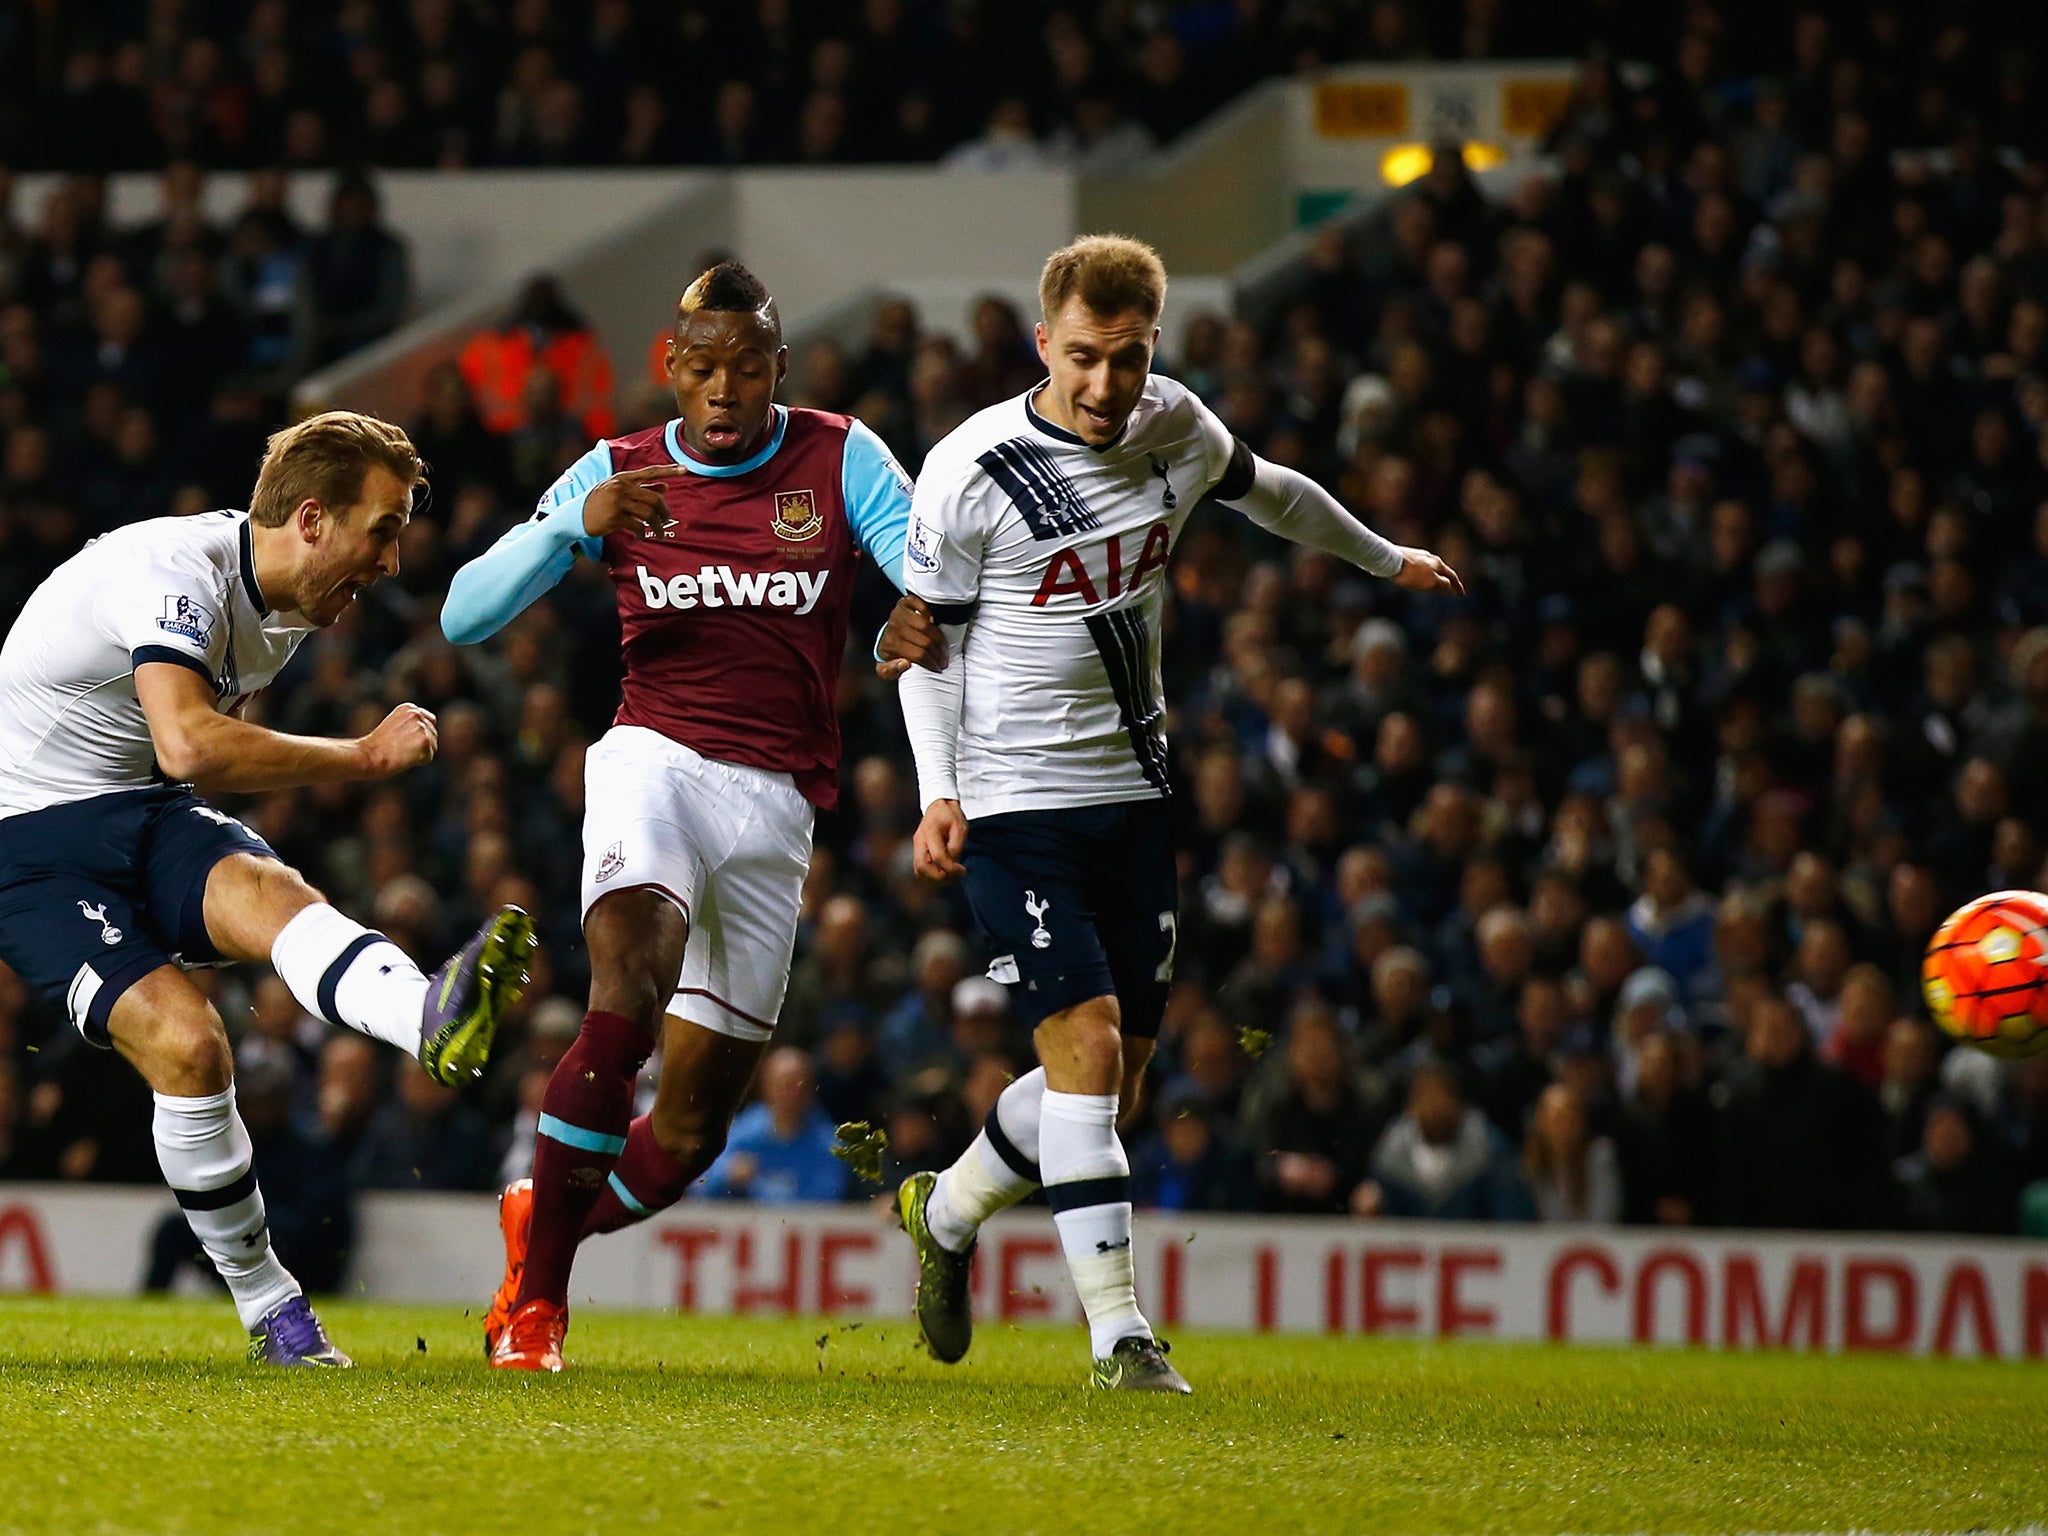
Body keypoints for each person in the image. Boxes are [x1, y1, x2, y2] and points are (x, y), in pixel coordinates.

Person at [883, 234, 1461, 1392]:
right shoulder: (969, 466)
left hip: (1135, 799)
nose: (1105, 387)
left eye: (1130, 360)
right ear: (1043, 343)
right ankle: (1119, 1338)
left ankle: (944, 1211)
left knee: (1111, 1086)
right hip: (1012, 805)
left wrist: (1379, 555)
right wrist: (935, 790)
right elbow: (921, 645)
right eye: (1085, 358)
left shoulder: (1176, 426)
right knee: (1088, 1051)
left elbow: (1273, 495)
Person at [441, 262, 913, 1371]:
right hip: (652, 761)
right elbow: (464, 614)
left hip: (777, 808)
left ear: (776, 372)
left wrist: (915, 613)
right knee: (626, 997)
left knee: (692, 1132)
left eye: (745, 369)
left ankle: (539, 1225)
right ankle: (538, 1313)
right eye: (700, 368)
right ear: (670, 366)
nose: (721, 390)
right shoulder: (618, 471)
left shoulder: (840, 456)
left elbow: (917, 563)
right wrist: (570, 528)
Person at [0, 411, 535, 1365]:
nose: (396, 559)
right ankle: (269, 1307)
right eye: (386, 528)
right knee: (190, 1044)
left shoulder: (286, 608)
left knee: (276, 894)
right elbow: (191, 741)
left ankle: (429, 1021)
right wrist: (364, 758)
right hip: (30, 844)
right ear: (315, 519)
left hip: (140, 805)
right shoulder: (178, 578)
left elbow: (187, 758)